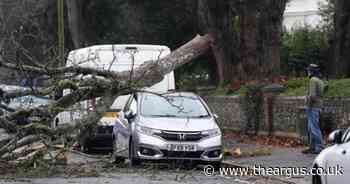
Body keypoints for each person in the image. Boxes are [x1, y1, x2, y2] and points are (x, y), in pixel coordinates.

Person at [302, 64, 325, 154]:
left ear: (311, 71)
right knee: (311, 127)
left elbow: (312, 95)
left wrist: (307, 101)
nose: (307, 72)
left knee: (313, 127)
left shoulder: (312, 80)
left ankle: (319, 147)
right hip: (318, 106)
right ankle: (312, 147)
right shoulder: (319, 80)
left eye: (308, 70)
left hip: (313, 107)